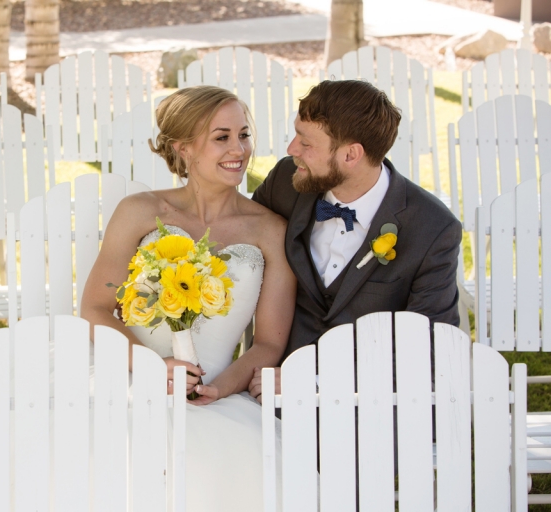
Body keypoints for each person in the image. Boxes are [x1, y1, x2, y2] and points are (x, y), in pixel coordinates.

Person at [81, 85, 297, 511]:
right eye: (222, 137)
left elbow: (269, 343)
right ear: (183, 148)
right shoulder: (140, 211)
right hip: (127, 377)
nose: (240, 149)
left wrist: (219, 389)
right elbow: (94, 308)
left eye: (244, 134)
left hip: (216, 397)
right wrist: (149, 367)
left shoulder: (271, 230)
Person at [248, 79, 461, 402]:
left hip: (374, 404)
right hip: (270, 395)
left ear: (351, 155)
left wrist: (316, 380)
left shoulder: (432, 228)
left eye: (306, 143)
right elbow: (237, 240)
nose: (292, 149)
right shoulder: (285, 182)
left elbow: (428, 345)